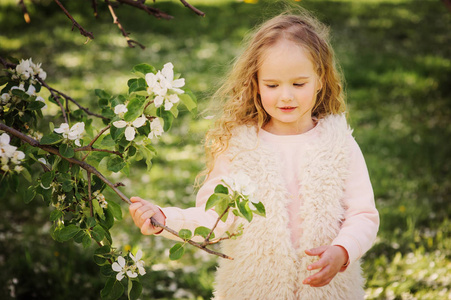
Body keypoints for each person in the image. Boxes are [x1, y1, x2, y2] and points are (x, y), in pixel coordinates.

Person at [129, 10, 379, 300]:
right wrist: (164, 219)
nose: (286, 96)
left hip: (330, 292)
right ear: (256, 84)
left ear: (320, 80)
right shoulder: (240, 147)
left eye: (299, 84)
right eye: (272, 85)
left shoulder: (340, 144)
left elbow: (363, 215)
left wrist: (343, 250)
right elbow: (215, 218)